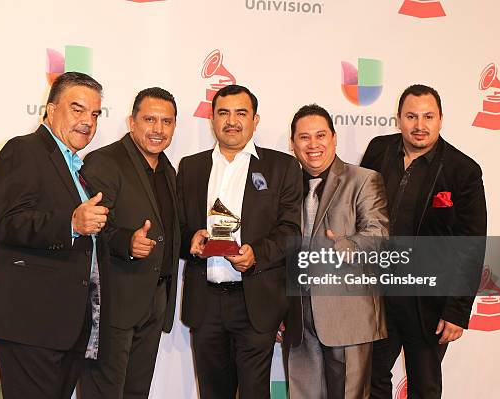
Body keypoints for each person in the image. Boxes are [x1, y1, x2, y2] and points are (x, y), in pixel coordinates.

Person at [0, 71, 110, 399]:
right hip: (31, 323)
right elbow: (9, 222)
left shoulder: (79, 170)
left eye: (94, 114)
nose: (87, 122)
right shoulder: (23, 151)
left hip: (69, 327)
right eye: (77, 109)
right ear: (51, 110)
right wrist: (72, 224)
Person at [361, 84, 487, 398]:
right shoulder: (379, 149)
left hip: (428, 302)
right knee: (369, 379)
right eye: (412, 116)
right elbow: (358, 207)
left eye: (428, 116)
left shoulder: (463, 171)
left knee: (424, 387)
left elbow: (470, 246)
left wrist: (456, 310)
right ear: (398, 119)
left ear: (441, 119)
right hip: (378, 296)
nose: (420, 125)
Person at [177, 84, 302, 399]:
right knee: (212, 392)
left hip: (255, 302)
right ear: (212, 119)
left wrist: (256, 254)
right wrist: (189, 240)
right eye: (223, 113)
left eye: (241, 113)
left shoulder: (282, 166)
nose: (231, 121)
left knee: (254, 393)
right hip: (205, 303)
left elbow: (291, 230)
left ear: (255, 120)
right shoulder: (190, 167)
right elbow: (176, 227)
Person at [79, 87, 180, 399]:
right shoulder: (104, 162)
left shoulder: (168, 170)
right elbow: (89, 226)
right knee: (103, 393)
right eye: (149, 119)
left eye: (167, 121)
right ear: (131, 122)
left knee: (137, 392)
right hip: (112, 302)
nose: (158, 129)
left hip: (154, 300)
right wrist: (126, 241)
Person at [284, 104, 389, 399]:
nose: (313, 145)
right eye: (304, 137)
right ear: (292, 143)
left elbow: (379, 235)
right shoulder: (287, 185)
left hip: (348, 315)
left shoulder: (363, 180)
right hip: (299, 314)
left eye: (320, 135)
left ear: (334, 138)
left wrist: (347, 245)